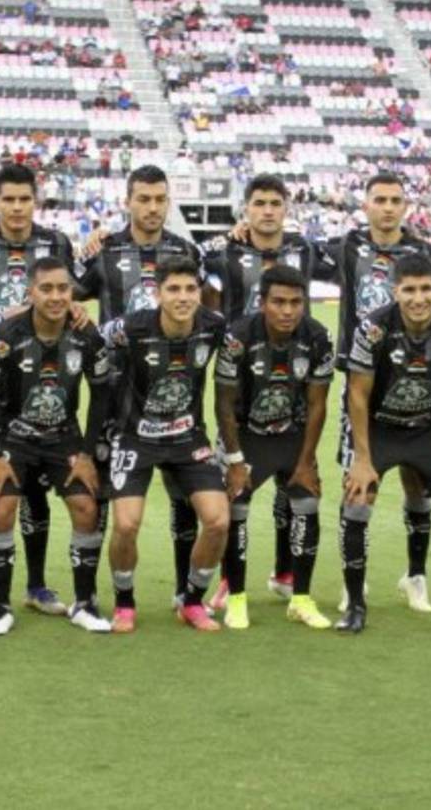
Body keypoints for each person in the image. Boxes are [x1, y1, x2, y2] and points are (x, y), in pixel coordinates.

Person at [75, 164, 206, 613]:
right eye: (144, 199)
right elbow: (70, 296)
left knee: (183, 495)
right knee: (106, 495)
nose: (152, 207)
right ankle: (90, 593)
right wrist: (83, 250)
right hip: (117, 395)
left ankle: (183, 592)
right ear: (128, 201)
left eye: (159, 199)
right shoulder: (106, 251)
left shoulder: (186, 250)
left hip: (175, 394)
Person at [0, 163, 77, 618]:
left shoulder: (57, 243)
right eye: (10, 199)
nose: (18, 208)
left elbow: (70, 294)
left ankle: (37, 585)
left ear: (35, 201)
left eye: (25, 199)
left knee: (33, 488)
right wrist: (0, 319)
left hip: (37, 380)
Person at [320, 171, 431, 614]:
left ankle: (415, 576)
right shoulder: (345, 247)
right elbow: (288, 252)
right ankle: (352, 583)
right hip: (361, 382)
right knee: (358, 483)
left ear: (406, 206)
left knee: (420, 485)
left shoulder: (425, 253)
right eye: (380, 199)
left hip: (416, 384)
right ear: (366, 204)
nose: (388, 207)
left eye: (396, 199)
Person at [337, 253, 431, 634]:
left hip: (427, 426)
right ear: (394, 291)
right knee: (357, 497)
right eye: (409, 290)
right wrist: (363, 459)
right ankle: (354, 605)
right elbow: (357, 394)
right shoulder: (373, 328)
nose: (419, 299)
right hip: (379, 426)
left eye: (426, 289)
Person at [204, 173, 333, 603]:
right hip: (240, 380)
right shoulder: (226, 253)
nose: (267, 211)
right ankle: (228, 578)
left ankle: (285, 573)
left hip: (293, 374)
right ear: (247, 208)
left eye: (275, 203)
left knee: (291, 482)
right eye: (258, 203)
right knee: (236, 485)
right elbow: (191, 269)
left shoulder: (306, 249)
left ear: (286, 208)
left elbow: (361, 256)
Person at [0, 257, 113, 634]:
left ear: (73, 293)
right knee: (3, 510)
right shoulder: (7, 335)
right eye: (46, 289)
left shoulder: (87, 335)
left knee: (85, 508)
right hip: (12, 436)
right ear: (30, 292)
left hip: (63, 438)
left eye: (63, 289)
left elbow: (101, 395)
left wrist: (85, 453)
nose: (55, 296)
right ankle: (1, 607)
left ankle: (84, 603)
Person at [101, 256, 229, 633]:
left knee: (218, 521)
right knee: (125, 525)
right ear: (157, 293)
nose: (183, 297)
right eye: (173, 289)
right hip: (134, 438)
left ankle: (191, 601)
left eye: (190, 289)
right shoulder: (131, 328)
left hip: (188, 438)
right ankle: (124, 603)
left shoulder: (214, 327)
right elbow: (90, 338)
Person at [214, 267, 334, 630]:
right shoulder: (237, 338)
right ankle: (236, 598)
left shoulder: (317, 337)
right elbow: (223, 403)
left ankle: (300, 598)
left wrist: (307, 460)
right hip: (246, 436)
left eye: (296, 302)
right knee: (236, 507)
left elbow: (317, 404)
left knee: (307, 501)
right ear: (262, 302)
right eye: (278, 302)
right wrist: (234, 462)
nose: (287, 310)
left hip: (291, 435)